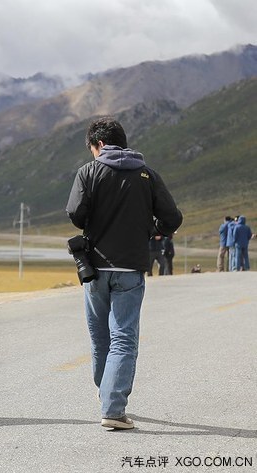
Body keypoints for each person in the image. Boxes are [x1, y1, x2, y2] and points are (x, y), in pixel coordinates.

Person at [66, 117, 182, 430]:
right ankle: (112, 406)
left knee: (100, 336)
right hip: (131, 267)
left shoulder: (88, 172)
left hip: (95, 268)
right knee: (123, 338)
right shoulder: (147, 175)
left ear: (99, 144)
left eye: (92, 148)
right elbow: (172, 217)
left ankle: (108, 397)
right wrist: (153, 230)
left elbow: (76, 215)